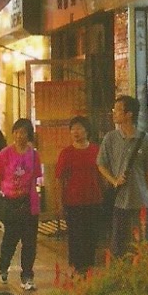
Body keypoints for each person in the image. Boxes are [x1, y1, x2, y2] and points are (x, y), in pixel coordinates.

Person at [97, 94, 148, 258]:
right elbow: (101, 164)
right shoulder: (110, 138)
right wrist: (114, 181)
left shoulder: (147, 140)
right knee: (118, 244)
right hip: (119, 200)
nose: (114, 113)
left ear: (129, 114)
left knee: (143, 243)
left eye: (118, 110)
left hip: (141, 199)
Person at [0, 118, 43, 290]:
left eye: (24, 132)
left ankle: (27, 275)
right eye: (17, 132)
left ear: (29, 135)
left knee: (29, 241)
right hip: (11, 202)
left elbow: (36, 176)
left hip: (28, 202)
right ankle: (3, 266)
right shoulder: (4, 154)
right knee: (10, 238)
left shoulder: (34, 155)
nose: (20, 136)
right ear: (13, 133)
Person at [55, 115, 105, 274]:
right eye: (73, 129)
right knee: (76, 236)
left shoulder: (96, 150)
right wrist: (59, 203)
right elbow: (59, 179)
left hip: (93, 199)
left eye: (79, 129)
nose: (76, 132)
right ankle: (77, 268)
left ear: (87, 131)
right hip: (73, 201)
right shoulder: (66, 153)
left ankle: (88, 268)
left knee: (91, 235)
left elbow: (102, 174)